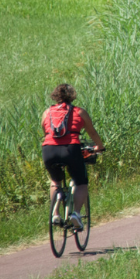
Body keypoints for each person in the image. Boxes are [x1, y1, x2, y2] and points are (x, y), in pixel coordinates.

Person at [40, 84, 104, 230]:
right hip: (71, 148)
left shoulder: (47, 112)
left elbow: (46, 133)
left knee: (55, 181)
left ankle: (55, 214)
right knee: (81, 182)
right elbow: (92, 133)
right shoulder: (79, 112)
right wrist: (100, 147)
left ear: (55, 96)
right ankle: (76, 213)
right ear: (72, 96)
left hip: (48, 150)